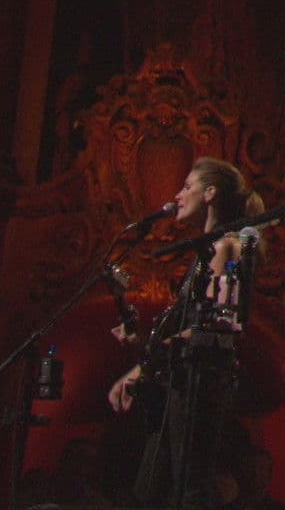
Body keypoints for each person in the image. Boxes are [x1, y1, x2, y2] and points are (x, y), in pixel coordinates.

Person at [107, 157, 265, 509]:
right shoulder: (205, 251)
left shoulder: (227, 248)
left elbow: (216, 325)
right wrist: (142, 350)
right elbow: (190, 327)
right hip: (177, 384)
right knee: (151, 488)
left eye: (187, 186)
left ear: (210, 193)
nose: (178, 196)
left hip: (198, 387)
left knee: (188, 488)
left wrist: (146, 363)